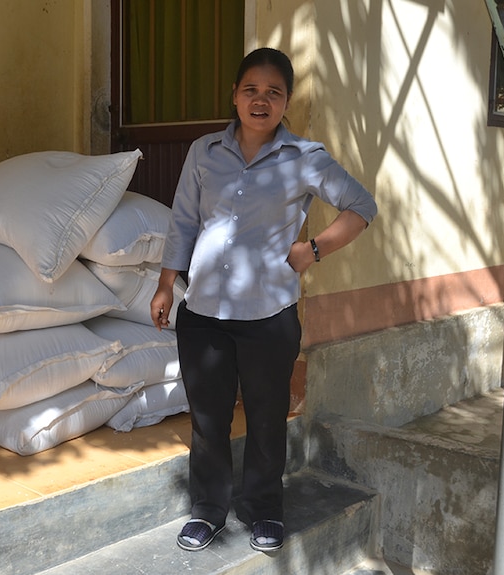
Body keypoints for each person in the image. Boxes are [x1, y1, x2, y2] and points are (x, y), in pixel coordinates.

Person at [150, 47, 377, 553]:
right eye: (250, 89)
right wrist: (167, 284)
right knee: (208, 421)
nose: (260, 100)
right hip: (203, 312)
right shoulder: (204, 152)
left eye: (273, 92)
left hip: (269, 315)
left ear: (286, 101)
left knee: (267, 418)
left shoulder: (305, 159)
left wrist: (313, 249)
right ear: (234, 95)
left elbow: (362, 205)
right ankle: (208, 510)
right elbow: (184, 220)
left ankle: (263, 510)